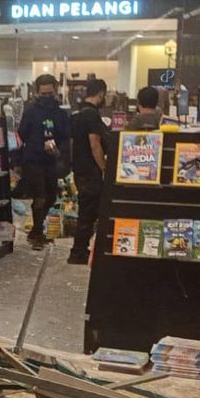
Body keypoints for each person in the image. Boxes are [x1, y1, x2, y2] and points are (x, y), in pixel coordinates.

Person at [18, 74, 71, 250]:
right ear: (37, 92)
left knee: (51, 197)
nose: (47, 97)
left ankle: (36, 229)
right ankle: (38, 233)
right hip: (33, 160)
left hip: (51, 161)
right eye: (43, 93)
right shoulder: (30, 112)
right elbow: (21, 134)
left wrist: (60, 151)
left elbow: (65, 136)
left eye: (50, 93)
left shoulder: (61, 113)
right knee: (39, 197)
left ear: (55, 91)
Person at [68, 79, 110, 265]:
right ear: (101, 94)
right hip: (89, 171)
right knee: (88, 212)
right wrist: (104, 168)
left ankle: (80, 250)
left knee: (87, 211)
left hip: (79, 169)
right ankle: (78, 253)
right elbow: (95, 144)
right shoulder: (91, 115)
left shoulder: (77, 113)